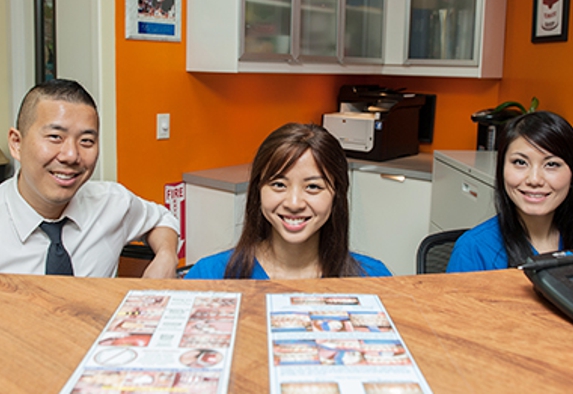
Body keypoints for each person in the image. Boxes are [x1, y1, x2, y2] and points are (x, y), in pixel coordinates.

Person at [0, 79, 179, 277]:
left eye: (86, 141)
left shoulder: (111, 203)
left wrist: (166, 256)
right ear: (17, 143)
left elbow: (162, 219)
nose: (71, 155)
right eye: (55, 137)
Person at [185, 122, 392, 279]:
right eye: (278, 185)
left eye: (313, 187)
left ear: (336, 195)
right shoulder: (209, 275)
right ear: (258, 190)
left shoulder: (373, 277)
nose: (294, 203)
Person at [447, 111, 573, 272]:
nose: (534, 180)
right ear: (502, 169)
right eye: (520, 162)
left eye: (551, 164)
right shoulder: (473, 249)